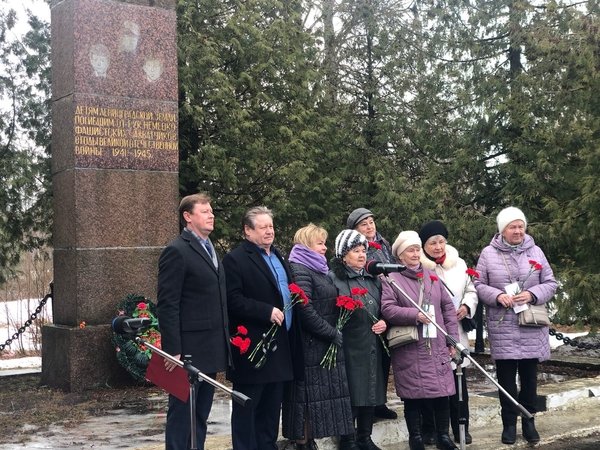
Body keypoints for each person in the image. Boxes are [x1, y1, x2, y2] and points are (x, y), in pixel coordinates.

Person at [474, 207, 557, 445]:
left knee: (530, 379)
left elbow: (550, 283)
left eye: (521, 226)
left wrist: (532, 293)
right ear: (502, 230)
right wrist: (498, 296)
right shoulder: (488, 254)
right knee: (506, 380)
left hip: (531, 324)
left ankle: (529, 421)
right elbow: (478, 284)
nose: (518, 231)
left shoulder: (536, 251)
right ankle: (509, 423)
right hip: (504, 327)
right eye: (512, 227)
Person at [223, 206, 303, 450]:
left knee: (271, 410)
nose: (269, 231)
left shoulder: (279, 256)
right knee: (248, 408)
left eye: (271, 226)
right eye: (263, 227)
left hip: (280, 346)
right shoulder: (235, 259)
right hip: (253, 348)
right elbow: (232, 299)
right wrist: (265, 311)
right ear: (248, 231)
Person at [156, 193, 231, 450]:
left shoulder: (210, 248)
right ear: (188, 217)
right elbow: (168, 303)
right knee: (181, 414)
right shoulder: (176, 250)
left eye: (212, 211)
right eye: (205, 211)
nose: (211, 215)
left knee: (200, 413)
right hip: (186, 350)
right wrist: (172, 349)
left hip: (208, 347)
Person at [380, 231, 459, 450]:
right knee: (413, 395)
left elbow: (447, 308)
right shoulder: (390, 279)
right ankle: (415, 437)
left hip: (436, 343)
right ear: (400, 256)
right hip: (410, 345)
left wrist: (452, 339)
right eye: (410, 250)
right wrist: (414, 315)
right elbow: (387, 309)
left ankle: (443, 435)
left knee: (443, 392)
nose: (415, 254)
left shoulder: (432, 276)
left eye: (417, 249)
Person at [282, 224, 354, 450]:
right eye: (320, 243)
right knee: (306, 398)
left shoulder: (317, 269)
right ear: (306, 245)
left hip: (320, 343)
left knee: (317, 398)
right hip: (310, 344)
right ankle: (303, 442)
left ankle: (308, 440)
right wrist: (331, 332)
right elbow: (305, 309)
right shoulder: (300, 269)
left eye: (325, 243)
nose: (325, 248)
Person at [419, 221, 478, 445]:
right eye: (432, 243)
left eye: (441, 241)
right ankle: (432, 428)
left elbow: (471, 289)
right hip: (432, 331)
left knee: (458, 380)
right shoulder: (421, 267)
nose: (438, 247)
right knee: (433, 382)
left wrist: (466, 306)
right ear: (424, 246)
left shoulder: (458, 263)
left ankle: (461, 425)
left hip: (457, 328)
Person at [329, 229, 387, 450]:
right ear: (343, 255)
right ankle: (348, 439)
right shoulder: (334, 279)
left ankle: (365, 436)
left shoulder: (373, 279)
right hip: (348, 345)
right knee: (351, 391)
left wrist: (384, 321)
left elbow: (385, 307)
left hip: (371, 344)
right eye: (356, 251)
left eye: (364, 250)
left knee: (370, 390)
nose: (362, 255)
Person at [346, 208, 397, 421]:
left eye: (371, 221)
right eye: (363, 223)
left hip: (387, 301)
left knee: (384, 357)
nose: (369, 226)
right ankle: (365, 405)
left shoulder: (384, 244)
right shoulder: (353, 247)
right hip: (366, 301)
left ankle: (379, 402)